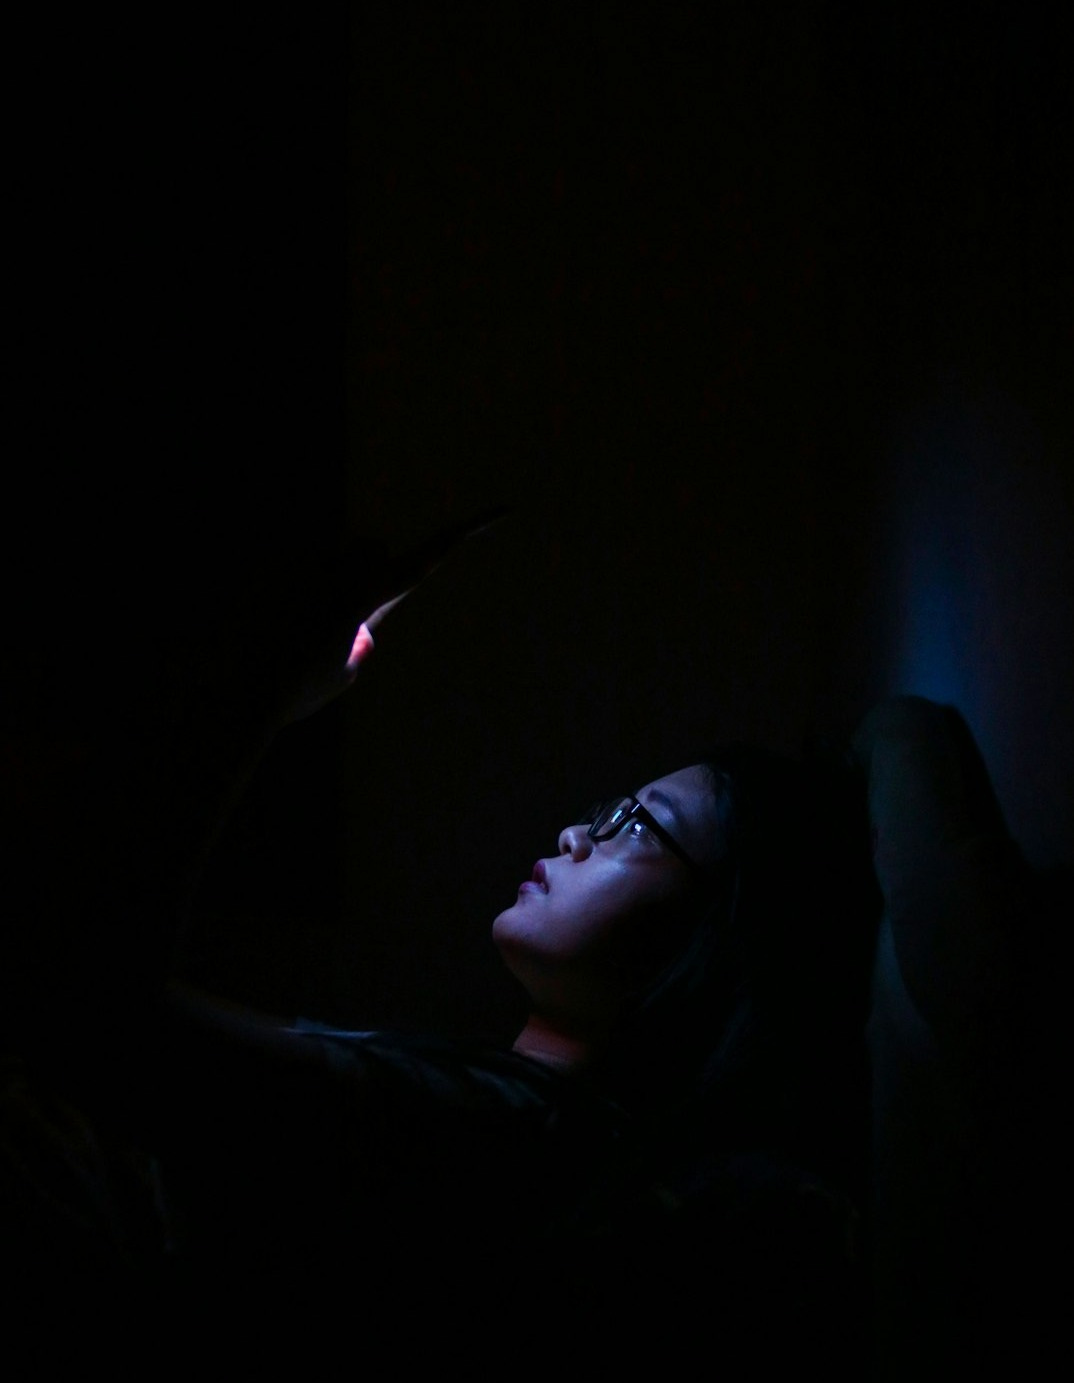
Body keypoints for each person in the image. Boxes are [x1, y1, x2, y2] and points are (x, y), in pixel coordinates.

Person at [0, 513, 880, 1367]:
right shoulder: (503, 1110)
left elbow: (92, 1018)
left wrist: (263, 682)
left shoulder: (510, 1139)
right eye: (601, 812)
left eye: (637, 824)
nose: (578, 834)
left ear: (718, 942)